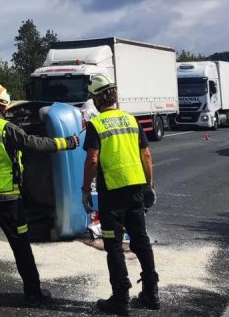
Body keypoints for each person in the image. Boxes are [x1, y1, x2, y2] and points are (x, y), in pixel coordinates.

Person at [0, 84, 79, 313]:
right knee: (21, 247)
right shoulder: (6, 129)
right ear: (4, 107)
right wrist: (67, 143)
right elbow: (33, 144)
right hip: (8, 200)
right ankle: (33, 295)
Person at [80, 74, 160, 316]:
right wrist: (149, 186)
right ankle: (151, 293)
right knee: (140, 240)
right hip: (136, 190)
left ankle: (121, 298)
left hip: (112, 194)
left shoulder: (97, 124)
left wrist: (85, 190)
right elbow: (146, 155)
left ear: (97, 98)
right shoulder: (132, 120)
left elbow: (93, 159)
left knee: (113, 245)